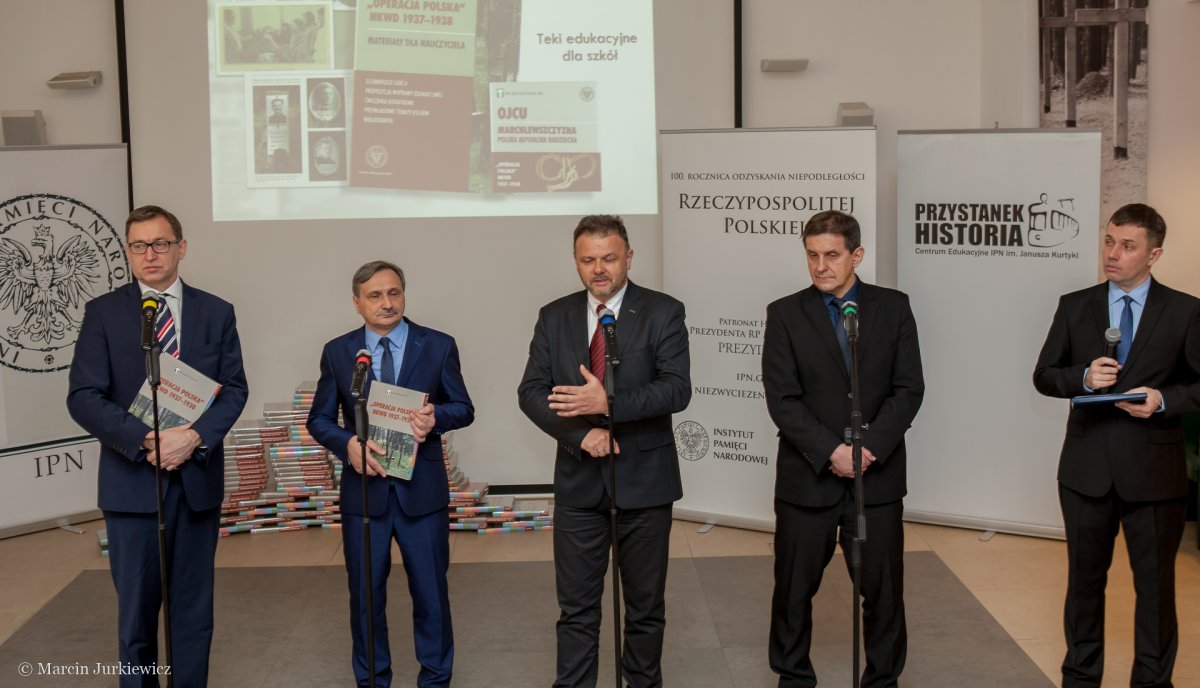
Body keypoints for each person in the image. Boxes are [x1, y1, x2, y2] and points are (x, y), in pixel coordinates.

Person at [66, 205, 249, 687]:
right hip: (131, 486)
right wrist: (145, 438)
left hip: (195, 485)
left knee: (193, 615)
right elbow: (83, 396)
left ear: (181, 248)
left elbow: (234, 389)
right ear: (129, 252)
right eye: (139, 245)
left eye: (161, 243)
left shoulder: (216, 311)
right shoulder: (103, 313)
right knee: (136, 619)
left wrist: (193, 437)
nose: (150, 254)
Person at [517, 214, 691, 688]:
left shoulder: (662, 311)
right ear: (575, 261)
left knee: (645, 609)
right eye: (588, 260)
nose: (599, 269)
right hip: (579, 486)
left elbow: (677, 389)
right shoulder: (554, 316)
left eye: (609, 258)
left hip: (646, 483)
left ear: (628, 258)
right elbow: (531, 392)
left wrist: (608, 403)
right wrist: (581, 435)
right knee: (576, 610)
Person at [1033, 203, 1200, 688]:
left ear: (1154, 254)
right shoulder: (1075, 305)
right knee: (1084, 586)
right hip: (1086, 471)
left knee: (1155, 589)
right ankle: (1080, 678)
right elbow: (1044, 375)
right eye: (1109, 241)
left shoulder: (1186, 310)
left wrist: (1163, 400)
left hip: (1155, 474)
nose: (1113, 253)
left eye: (1127, 246)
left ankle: (1152, 681)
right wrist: (1083, 377)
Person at [761, 210, 924, 688]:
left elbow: (908, 388)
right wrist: (831, 450)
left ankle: (883, 680)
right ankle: (793, 678)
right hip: (807, 477)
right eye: (812, 255)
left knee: (883, 591)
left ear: (857, 255)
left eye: (832, 255)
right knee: (793, 592)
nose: (820, 266)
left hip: (877, 478)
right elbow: (782, 398)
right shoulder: (785, 313)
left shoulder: (893, 308)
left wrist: (868, 448)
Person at [307, 261, 474, 688]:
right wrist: (347, 443)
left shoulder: (437, 345)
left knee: (431, 596)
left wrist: (435, 418)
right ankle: (372, 681)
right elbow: (319, 419)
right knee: (365, 598)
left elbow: (463, 408)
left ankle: (435, 680)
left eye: (394, 292)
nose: (387, 302)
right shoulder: (339, 352)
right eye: (375, 295)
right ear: (357, 303)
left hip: (423, 494)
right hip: (365, 495)